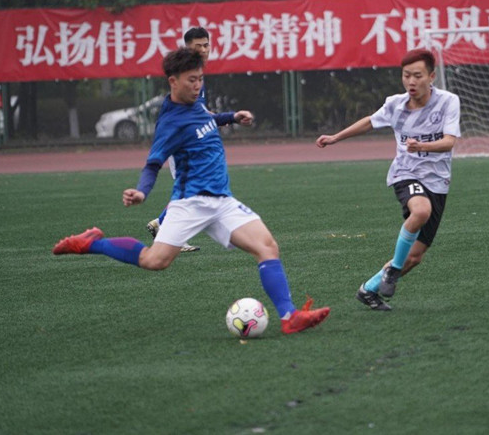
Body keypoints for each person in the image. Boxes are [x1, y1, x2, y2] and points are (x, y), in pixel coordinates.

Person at [53, 47, 330, 334]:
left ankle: (289, 317)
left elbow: (207, 120)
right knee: (154, 260)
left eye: (200, 79)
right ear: (173, 81)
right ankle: (92, 243)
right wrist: (142, 192)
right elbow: (153, 163)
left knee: (267, 247)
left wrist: (232, 117)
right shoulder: (170, 123)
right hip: (191, 203)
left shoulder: (195, 104)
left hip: (222, 201)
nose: (197, 86)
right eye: (191, 80)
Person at [315, 48, 460, 311]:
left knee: (414, 257)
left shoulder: (448, 102)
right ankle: (392, 271)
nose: (411, 82)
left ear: (431, 77)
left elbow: (449, 142)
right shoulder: (395, 104)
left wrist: (422, 146)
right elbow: (370, 122)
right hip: (406, 173)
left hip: (438, 182)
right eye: (406, 75)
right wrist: (336, 137)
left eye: (417, 76)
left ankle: (368, 290)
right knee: (421, 210)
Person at [146, 26, 215, 253]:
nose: (204, 49)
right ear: (187, 48)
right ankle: (169, 233)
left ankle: (162, 224)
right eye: (198, 46)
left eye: (206, 45)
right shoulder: (185, 74)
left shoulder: (196, 72)